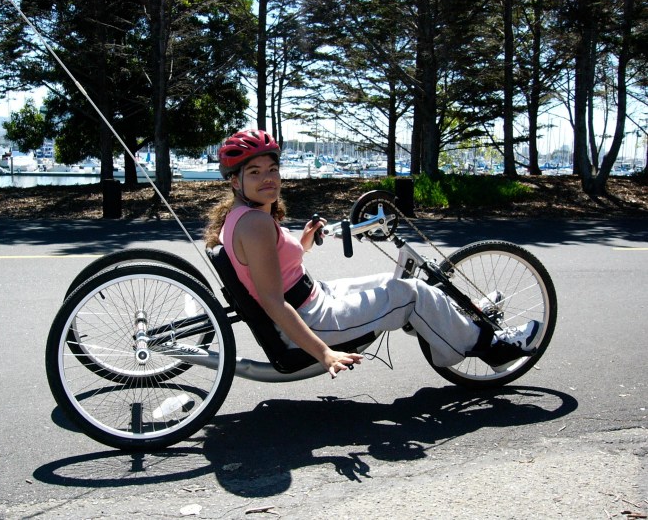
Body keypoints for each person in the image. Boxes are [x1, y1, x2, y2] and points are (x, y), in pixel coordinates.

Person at [204, 129, 541, 378]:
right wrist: (324, 354)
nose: (268, 179)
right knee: (408, 292)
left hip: (316, 296)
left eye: (272, 169)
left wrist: (303, 242)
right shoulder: (256, 225)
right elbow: (274, 301)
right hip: (313, 319)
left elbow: (270, 266)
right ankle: (493, 348)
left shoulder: (241, 217)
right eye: (255, 172)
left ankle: (457, 322)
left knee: (391, 281)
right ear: (235, 181)